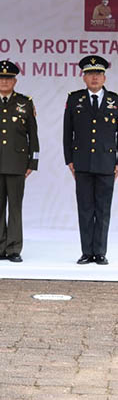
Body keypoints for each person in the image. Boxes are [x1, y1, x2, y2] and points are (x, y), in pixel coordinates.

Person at [0, 60, 39, 263]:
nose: (4, 82)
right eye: (0, 78)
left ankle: (13, 249)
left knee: (15, 207)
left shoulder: (25, 102)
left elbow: (33, 135)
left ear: (15, 80)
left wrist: (32, 162)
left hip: (17, 163)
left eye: (8, 78)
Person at [63, 55, 118, 265]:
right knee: (85, 209)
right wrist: (69, 159)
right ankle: (87, 252)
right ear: (83, 77)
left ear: (104, 77)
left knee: (103, 209)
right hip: (82, 162)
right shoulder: (75, 99)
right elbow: (68, 132)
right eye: (90, 74)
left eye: (98, 73)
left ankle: (100, 252)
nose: (94, 77)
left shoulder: (115, 100)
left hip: (106, 163)